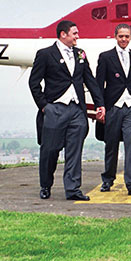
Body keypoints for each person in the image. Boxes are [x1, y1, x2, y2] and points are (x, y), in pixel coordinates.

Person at [29, 20, 104, 201]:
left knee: (74, 150)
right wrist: (45, 106)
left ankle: (72, 189)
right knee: (50, 150)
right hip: (55, 108)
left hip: (77, 109)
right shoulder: (45, 54)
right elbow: (34, 82)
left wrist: (99, 104)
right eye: (74, 33)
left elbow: (90, 80)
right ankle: (45, 185)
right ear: (63, 34)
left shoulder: (80, 54)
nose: (78, 36)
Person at [95, 23, 131, 196]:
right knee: (111, 144)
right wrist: (101, 107)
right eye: (121, 36)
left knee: (130, 142)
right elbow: (99, 84)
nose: (124, 39)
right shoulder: (105, 57)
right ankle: (108, 179)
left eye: (127, 36)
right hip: (113, 106)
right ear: (115, 36)